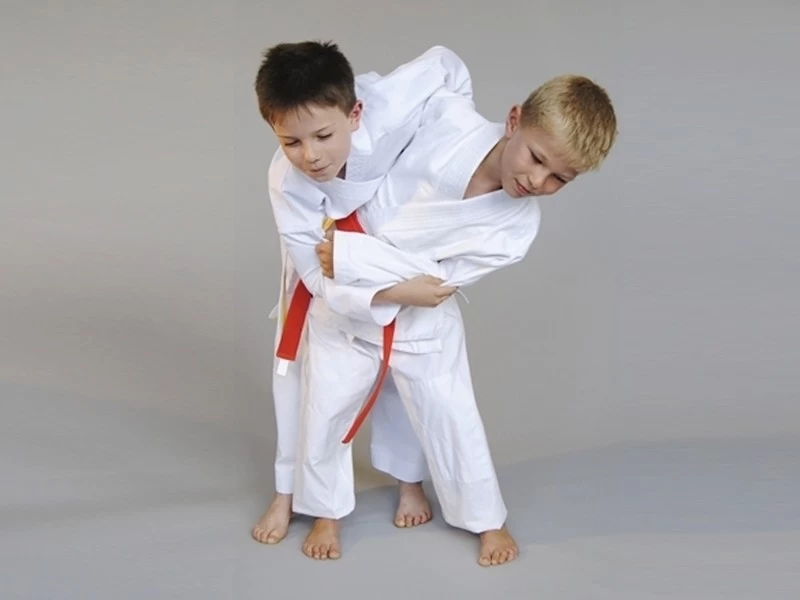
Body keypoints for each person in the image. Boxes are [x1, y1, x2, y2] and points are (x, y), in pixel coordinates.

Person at [294, 73, 618, 566]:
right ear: (514, 120)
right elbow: (389, 107)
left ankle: (477, 515)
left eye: (560, 179)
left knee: (448, 414)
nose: (537, 181)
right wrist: (351, 254)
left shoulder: (516, 229)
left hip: (416, 307)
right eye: (536, 158)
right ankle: (325, 512)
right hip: (345, 294)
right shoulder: (448, 119)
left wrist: (350, 256)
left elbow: (436, 283)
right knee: (327, 402)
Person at [250, 40, 474, 549]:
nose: (310, 156)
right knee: (305, 382)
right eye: (290, 141)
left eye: (323, 136)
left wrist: (439, 156)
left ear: (355, 113)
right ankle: (295, 493)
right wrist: (384, 291)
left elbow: (447, 65)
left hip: (393, 236)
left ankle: (409, 482)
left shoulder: (392, 105)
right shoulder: (286, 181)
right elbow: (315, 276)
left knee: (403, 367)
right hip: (328, 260)